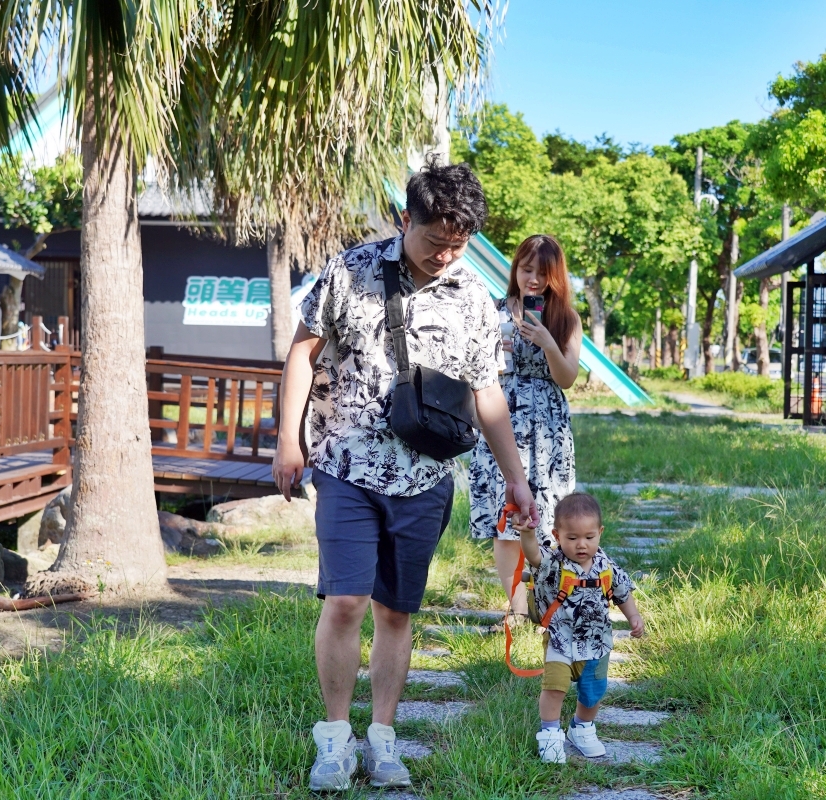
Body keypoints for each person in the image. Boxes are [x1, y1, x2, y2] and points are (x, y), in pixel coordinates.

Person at [272, 157, 540, 792]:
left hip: (425, 476)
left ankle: (384, 738)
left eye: (458, 245)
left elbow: (487, 394)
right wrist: (288, 440)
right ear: (405, 220)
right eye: (435, 240)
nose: (446, 255)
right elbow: (303, 353)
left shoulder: (474, 298)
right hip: (345, 464)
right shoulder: (351, 270)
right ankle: (334, 739)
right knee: (344, 600)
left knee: (396, 612)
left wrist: (516, 479)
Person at [468, 235, 582, 617]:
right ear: (515, 269)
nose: (531, 279)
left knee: (547, 516)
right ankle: (517, 606)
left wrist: (549, 342)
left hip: (546, 430)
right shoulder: (493, 311)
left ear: (555, 277)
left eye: (541, 272)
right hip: (501, 419)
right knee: (506, 518)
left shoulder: (565, 318)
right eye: (525, 268)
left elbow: (567, 378)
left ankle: (549, 599)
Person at [516, 492, 644, 763]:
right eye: (572, 538)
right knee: (555, 687)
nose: (581, 544)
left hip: (597, 643)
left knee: (592, 691)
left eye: (589, 537)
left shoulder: (605, 565)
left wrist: (633, 616)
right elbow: (534, 556)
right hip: (560, 640)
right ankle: (550, 734)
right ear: (558, 535)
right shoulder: (555, 562)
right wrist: (527, 534)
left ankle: (582, 728)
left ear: (600, 532)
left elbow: (622, 591)